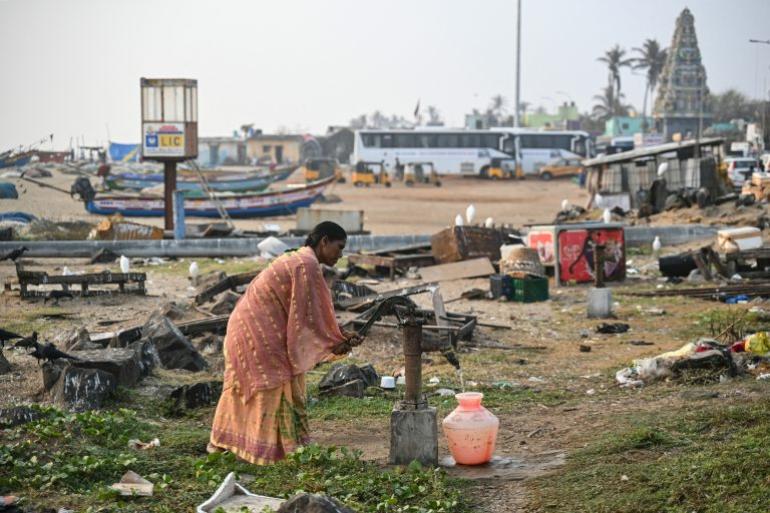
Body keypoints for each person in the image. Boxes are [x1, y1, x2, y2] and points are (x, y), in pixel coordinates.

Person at [208, 221, 362, 464]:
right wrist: (337, 339)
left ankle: (241, 444)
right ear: (324, 242)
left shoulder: (301, 259)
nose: (341, 255)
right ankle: (268, 451)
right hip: (256, 331)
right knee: (273, 382)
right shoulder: (306, 264)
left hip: (248, 328)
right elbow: (308, 316)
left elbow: (310, 314)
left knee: (279, 383)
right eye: (339, 247)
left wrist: (338, 336)